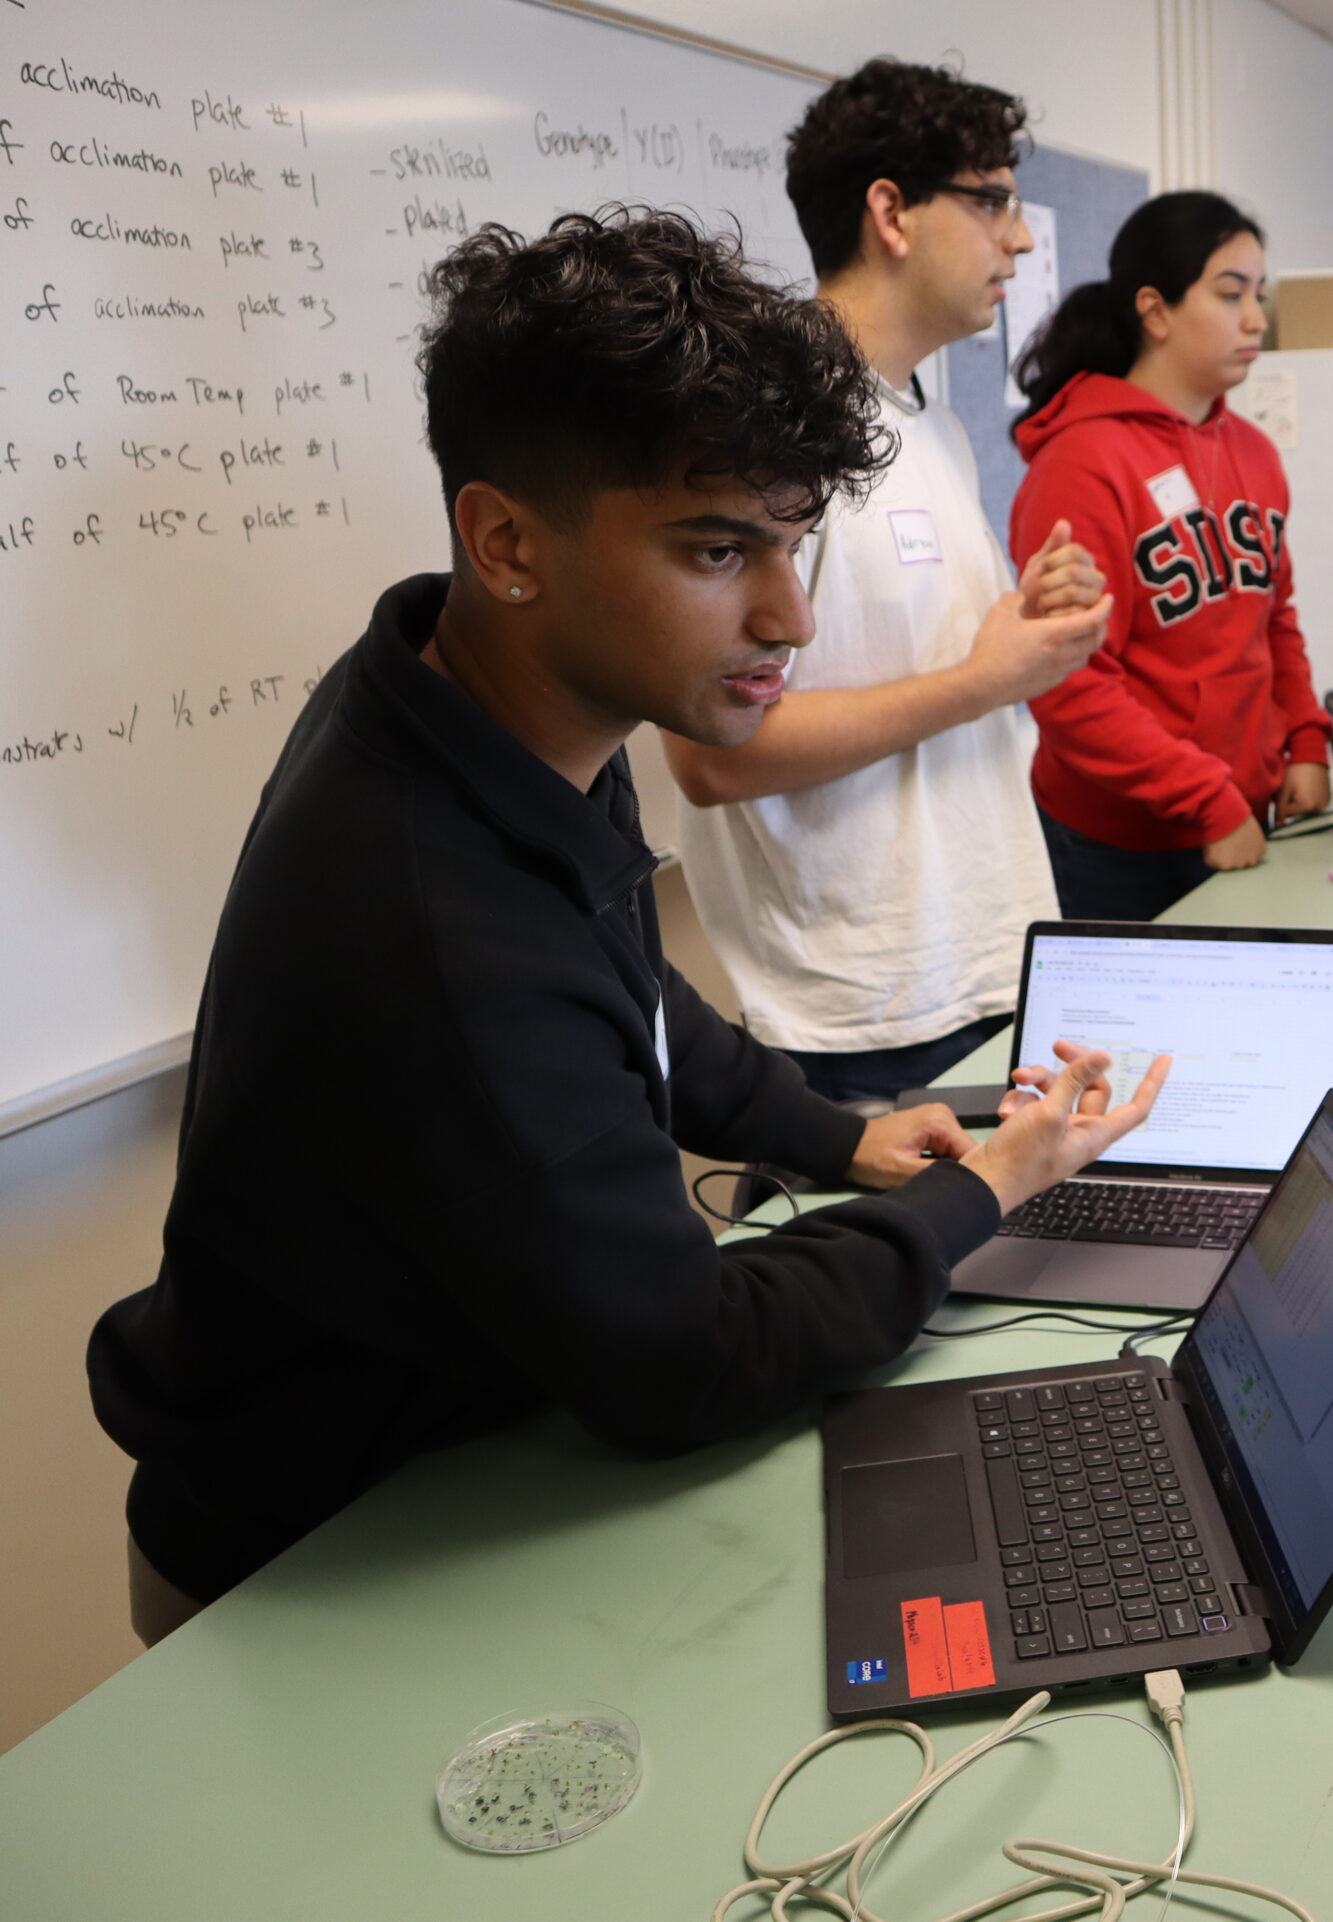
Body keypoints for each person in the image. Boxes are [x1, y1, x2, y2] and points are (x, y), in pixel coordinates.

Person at [87, 210, 1166, 1644]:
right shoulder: (435, 920)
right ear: (509, 541)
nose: (787, 615)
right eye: (721, 550)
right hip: (311, 1576)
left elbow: (632, 976)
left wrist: (835, 1134)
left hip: (456, 1480)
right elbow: (690, 1358)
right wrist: (980, 1195)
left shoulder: (475, 697)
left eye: (795, 547)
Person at [665, 59, 1111, 1106]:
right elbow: (710, 756)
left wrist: (1018, 629)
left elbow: (925, 665)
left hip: (980, 966)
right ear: (890, 213)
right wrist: (984, 680)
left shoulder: (929, 421)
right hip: (857, 1017)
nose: (1021, 237)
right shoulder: (768, 428)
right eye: (992, 200)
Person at [1008, 191, 1331, 924]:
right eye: (1230, 294)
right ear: (1154, 311)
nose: (1256, 318)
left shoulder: (1253, 452)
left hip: (1241, 814)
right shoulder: (1081, 464)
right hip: (1121, 848)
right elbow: (1070, 685)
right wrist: (1207, 800)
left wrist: (1306, 737)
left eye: (1259, 294)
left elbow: (1273, 620)